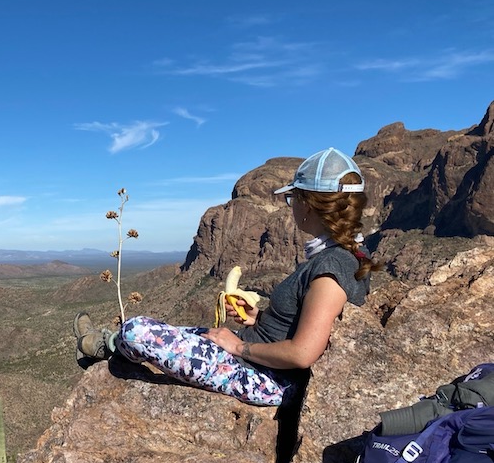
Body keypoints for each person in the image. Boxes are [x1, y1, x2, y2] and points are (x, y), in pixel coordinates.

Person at [73, 147, 382, 407]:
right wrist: (259, 318)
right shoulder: (340, 255)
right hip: (257, 360)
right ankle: (102, 343)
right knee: (181, 331)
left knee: (139, 330)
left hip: (264, 378)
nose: (291, 207)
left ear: (308, 205)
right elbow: (306, 320)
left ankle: (103, 346)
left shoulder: (332, 268)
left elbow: (303, 353)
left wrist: (237, 347)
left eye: (293, 199)